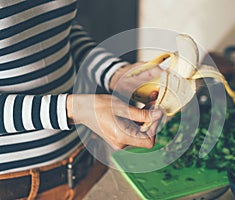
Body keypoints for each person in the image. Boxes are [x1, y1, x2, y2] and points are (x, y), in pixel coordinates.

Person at [0, 0, 163, 199]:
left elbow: (57, 28)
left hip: (88, 162)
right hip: (16, 188)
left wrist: (111, 72)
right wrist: (75, 109)